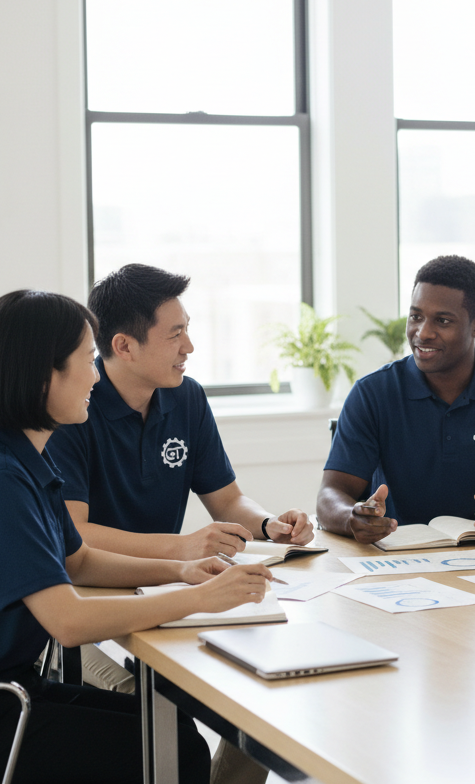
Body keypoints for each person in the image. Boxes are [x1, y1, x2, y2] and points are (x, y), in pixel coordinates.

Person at [0, 290, 273, 784]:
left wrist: (180, 571)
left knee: (169, 732)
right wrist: (198, 599)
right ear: (42, 374)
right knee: (173, 754)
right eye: (87, 361)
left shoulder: (26, 455)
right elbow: (67, 621)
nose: (96, 375)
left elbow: (79, 561)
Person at [48, 263, 310, 783]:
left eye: (187, 329)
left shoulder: (185, 397)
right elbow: (74, 538)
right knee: (170, 732)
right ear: (123, 346)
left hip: (171, 597)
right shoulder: (75, 408)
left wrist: (267, 526)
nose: (189, 346)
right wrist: (180, 550)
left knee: (260, 707)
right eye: (176, 334)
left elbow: (228, 499)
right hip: (91, 618)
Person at [317, 255, 475, 544]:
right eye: (416, 316)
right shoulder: (372, 393)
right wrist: (351, 517)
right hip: (397, 558)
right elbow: (331, 493)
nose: (423, 333)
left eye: (442, 320)